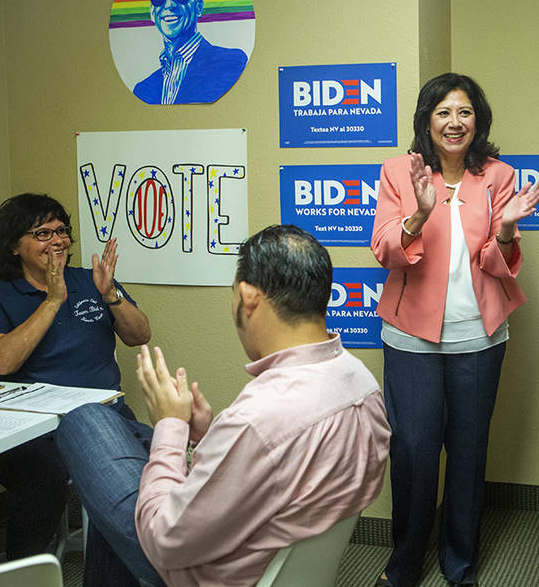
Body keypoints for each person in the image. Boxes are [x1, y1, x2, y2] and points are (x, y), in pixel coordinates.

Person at [55, 224, 391, 586]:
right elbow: (275, 472)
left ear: (248, 297)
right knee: (130, 456)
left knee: (85, 418)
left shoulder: (257, 419)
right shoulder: (361, 383)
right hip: (272, 559)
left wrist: (170, 425)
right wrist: (207, 435)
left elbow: (165, 539)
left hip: (197, 569)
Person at [370, 72, 539, 587]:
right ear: (427, 120)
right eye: (444, 112)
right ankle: (404, 563)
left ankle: (459, 563)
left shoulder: (497, 175)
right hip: (411, 338)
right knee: (414, 450)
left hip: (479, 337)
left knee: (468, 453)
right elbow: (384, 250)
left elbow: (497, 261)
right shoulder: (399, 172)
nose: (454, 122)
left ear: (477, 121)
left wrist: (508, 228)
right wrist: (419, 214)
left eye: (464, 112)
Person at [0, 193, 151, 559]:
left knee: (159, 456)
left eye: (61, 230)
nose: (57, 240)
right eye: (42, 233)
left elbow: (139, 335)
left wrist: (111, 294)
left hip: (103, 417)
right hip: (22, 430)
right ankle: (22, 573)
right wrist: (51, 301)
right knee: (45, 478)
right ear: (14, 245)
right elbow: (1, 362)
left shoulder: (91, 281)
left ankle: (141, 564)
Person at [132, 0, 248, 105]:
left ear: (199, 6)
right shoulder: (143, 90)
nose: (169, 4)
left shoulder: (230, 63)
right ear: (152, 12)